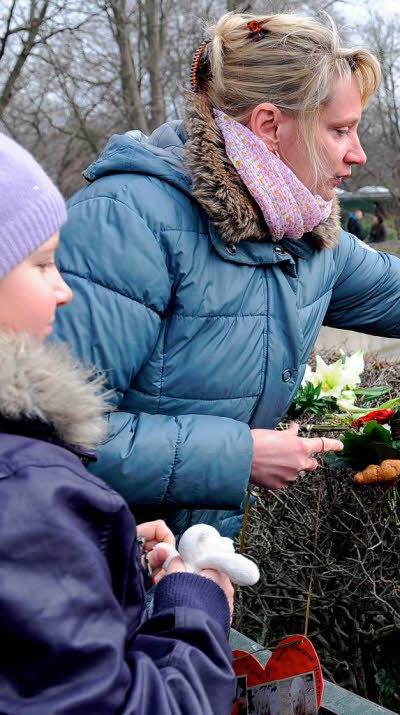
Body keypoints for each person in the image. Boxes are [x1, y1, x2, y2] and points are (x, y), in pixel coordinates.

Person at [53, 12, 400, 538]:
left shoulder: (302, 232)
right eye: (340, 130)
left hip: (186, 564)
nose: (358, 154)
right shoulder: (125, 221)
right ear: (269, 125)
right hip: (87, 571)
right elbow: (53, 441)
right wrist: (239, 455)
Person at [0, 134, 235, 713]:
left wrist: (99, 560)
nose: (63, 290)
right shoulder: (24, 490)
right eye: (43, 263)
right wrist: (195, 609)